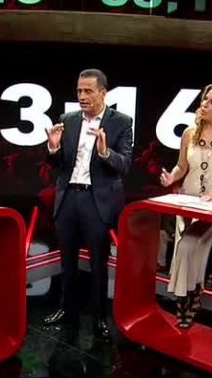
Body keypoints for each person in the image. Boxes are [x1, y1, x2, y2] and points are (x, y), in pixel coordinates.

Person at [43, 69, 133, 341]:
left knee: (97, 263)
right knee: (67, 260)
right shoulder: (67, 120)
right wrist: (53, 148)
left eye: (88, 91)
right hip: (68, 198)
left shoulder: (121, 122)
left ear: (103, 93)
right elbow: (57, 163)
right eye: (79, 91)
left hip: (97, 201)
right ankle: (66, 309)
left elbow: (125, 164)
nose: (82, 96)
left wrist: (105, 152)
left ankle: (99, 317)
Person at [159, 81, 212, 329]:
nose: (204, 105)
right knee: (189, 249)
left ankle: (186, 296)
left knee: (189, 246)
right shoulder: (190, 132)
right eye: (205, 100)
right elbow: (182, 167)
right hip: (187, 202)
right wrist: (172, 177)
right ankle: (190, 296)